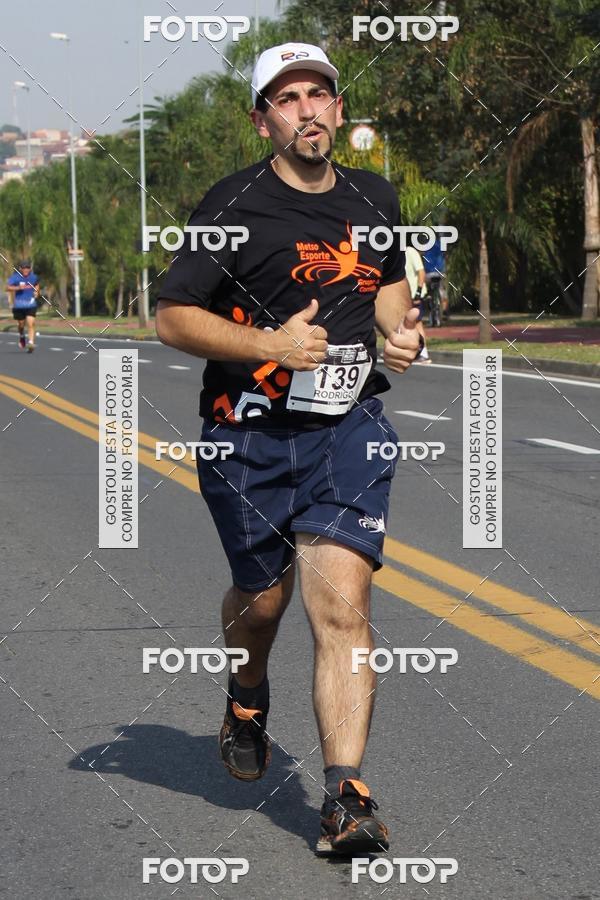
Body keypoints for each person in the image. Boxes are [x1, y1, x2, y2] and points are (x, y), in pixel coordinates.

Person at [156, 42, 422, 855]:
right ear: (262, 118)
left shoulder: (375, 197)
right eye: (288, 97)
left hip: (348, 428)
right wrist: (269, 340)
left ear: (339, 109)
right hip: (247, 433)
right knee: (262, 603)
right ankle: (246, 690)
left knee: (341, 607)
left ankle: (345, 796)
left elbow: (385, 289)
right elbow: (171, 317)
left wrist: (401, 335)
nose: (307, 108)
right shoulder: (232, 203)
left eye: (320, 94)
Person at [404, 245, 431, 364]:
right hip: (405, 296)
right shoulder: (396, 255)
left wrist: (418, 293)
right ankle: (412, 351)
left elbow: (421, 272)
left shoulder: (410, 251)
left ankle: (424, 354)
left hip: (416, 295)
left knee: (417, 323)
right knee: (407, 324)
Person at [6, 260, 40, 352]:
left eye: (28, 268)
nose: (26, 269)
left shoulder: (33, 277)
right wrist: (18, 288)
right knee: (21, 325)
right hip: (19, 305)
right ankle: (22, 336)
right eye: (24, 268)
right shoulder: (15, 277)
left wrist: (37, 292)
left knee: (31, 323)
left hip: (31, 304)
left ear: (30, 269)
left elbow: (37, 285)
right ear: (20, 269)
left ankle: (31, 342)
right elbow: (8, 288)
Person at [422, 237, 449, 321]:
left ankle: (429, 297)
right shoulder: (441, 245)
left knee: (428, 288)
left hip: (429, 274)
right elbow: (445, 255)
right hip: (440, 273)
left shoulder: (425, 246)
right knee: (443, 291)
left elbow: (422, 255)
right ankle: (444, 311)